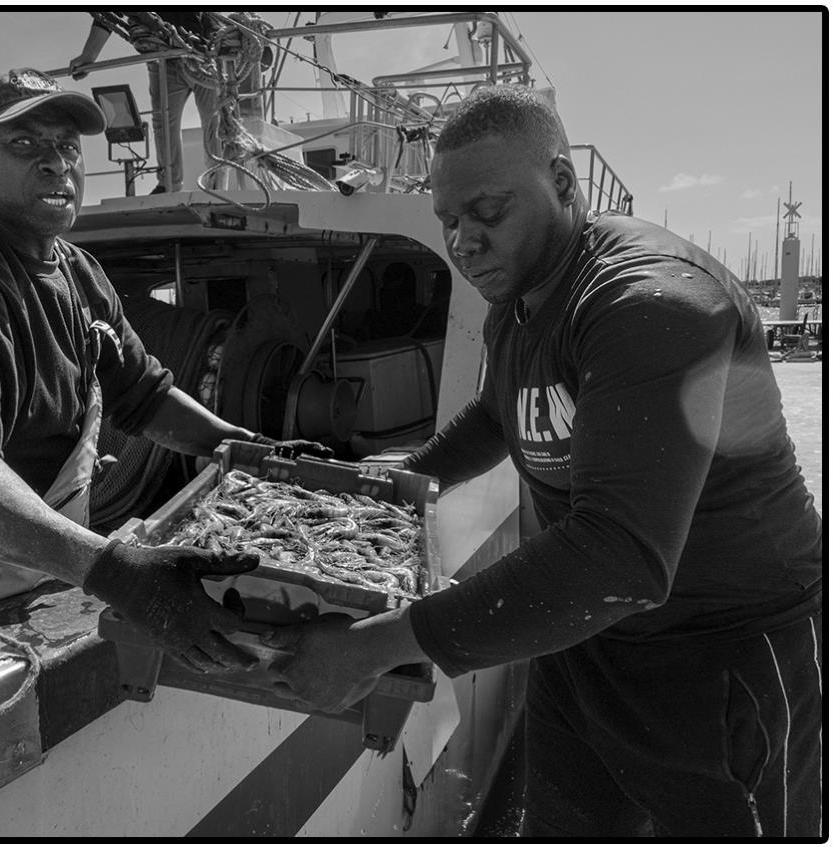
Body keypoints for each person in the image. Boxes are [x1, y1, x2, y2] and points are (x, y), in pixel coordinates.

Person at [261, 85, 823, 837]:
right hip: (584, 645)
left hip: (720, 660)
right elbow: (501, 410)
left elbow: (621, 556)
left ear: (563, 184)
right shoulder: (519, 301)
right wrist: (405, 478)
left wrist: (375, 645)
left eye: (487, 214)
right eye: (448, 222)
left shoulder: (648, 304)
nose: (462, 242)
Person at [0, 68, 329, 674]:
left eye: (67, 146)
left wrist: (245, 447)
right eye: (23, 144)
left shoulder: (75, 272)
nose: (55, 163)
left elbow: (143, 396)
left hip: (42, 552)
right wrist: (113, 572)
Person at [69, 12, 269, 194]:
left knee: (214, 119)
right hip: (162, 57)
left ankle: (218, 182)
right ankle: (168, 184)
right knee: (163, 121)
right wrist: (89, 57)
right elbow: (108, 14)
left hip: (203, 53)